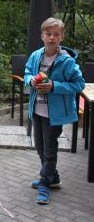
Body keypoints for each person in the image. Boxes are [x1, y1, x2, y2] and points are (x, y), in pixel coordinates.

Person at [24, 17, 85, 205]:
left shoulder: (66, 61)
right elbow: (27, 73)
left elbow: (78, 84)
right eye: (48, 34)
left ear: (61, 37)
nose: (52, 38)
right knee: (41, 148)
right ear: (42, 36)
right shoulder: (36, 56)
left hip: (54, 114)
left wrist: (54, 86)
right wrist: (31, 81)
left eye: (56, 34)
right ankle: (54, 177)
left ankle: (45, 184)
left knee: (50, 151)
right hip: (37, 110)